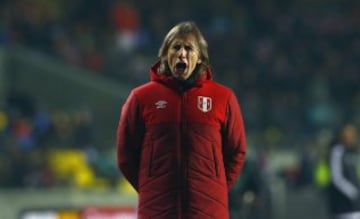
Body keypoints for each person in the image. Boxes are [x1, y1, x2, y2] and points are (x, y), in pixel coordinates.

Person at [116, 21, 247, 219]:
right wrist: (150, 187)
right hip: (157, 211)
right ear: (165, 55)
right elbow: (125, 153)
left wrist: (214, 188)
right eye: (176, 47)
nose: (182, 53)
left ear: (201, 57)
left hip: (208, 212)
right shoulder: (141, 98)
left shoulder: (223, 98)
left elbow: (236, 151)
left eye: (189, 48)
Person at [327, 123, 360, 219]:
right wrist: (354, 193)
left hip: (355, 206)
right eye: (348, 133)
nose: (351, 136)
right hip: (342, 205)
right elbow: (337, 178)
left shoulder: (353, 151)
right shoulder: (337, 151)